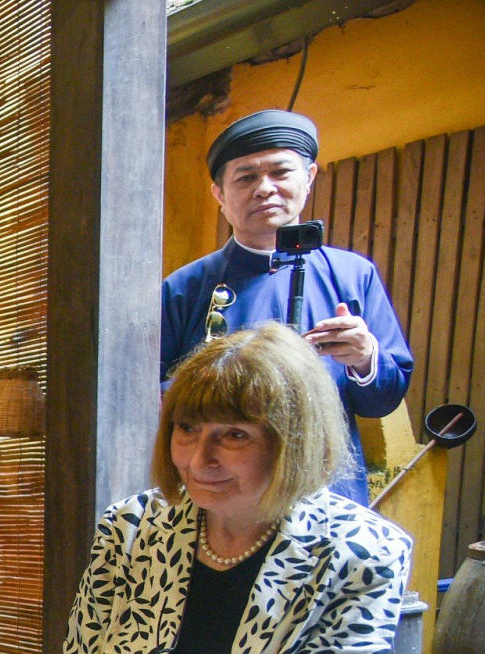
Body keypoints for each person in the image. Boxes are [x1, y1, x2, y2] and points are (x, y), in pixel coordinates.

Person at [48, 322, 412, 654]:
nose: (199, 460)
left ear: (294, 441)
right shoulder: (131, 526)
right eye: (187, 429)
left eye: (234, 435)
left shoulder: (363, 554)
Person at [160, 109, 413, 506]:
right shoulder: (185, 288)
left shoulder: (352, 275)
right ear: (219, 194)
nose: (265, 189)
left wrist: (365, 360)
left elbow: (382, 399)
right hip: (219, 497)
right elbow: (153, 401)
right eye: (245, 178)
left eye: (280, 172)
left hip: (327, 493)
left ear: (309, 177)